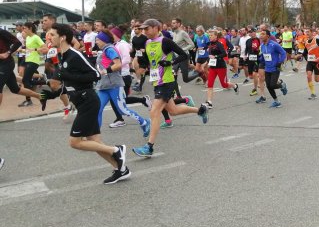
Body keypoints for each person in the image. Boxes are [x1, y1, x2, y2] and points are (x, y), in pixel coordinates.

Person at [39, 23, 130, 184]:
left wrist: (67, 74)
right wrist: (51, 94)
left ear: (62, 38)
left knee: (75, 142)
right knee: (95, 142)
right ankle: (120, 169)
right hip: (81, 101)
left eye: (52, 34)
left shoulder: (74, 55)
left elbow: (95, 75)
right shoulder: (61, 56)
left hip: (88, 101)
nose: (49, 37)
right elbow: (69, 85)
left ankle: (116, 150)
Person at [132, 19, 208, 158]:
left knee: (154, 112)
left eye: (147, 28)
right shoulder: (147, 43)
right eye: (142, 29)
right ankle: (201, 110)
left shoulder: (165, 41)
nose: (144, 31)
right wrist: (143, 66)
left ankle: (149, 147)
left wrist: (170, 62)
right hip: (156, 81)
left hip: (166, 81)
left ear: (156, 28)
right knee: (173, 111)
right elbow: (151, 60)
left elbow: (183, 55)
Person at [0, 28, 42, 107]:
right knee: (15, 89)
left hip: (6, 63)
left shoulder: (1, 32)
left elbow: (17, 42)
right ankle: (39, 96)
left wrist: (8, 53)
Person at [204, 30, 239, 108]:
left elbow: (224, 54)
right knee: (210, 84)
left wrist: (216, 56)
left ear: (216, 36)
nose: (210, 37)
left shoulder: (219, 44)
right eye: (209, 36)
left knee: (224, 85)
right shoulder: (210, 44)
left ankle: (234, 85)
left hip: (221, 67)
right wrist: (207, 62)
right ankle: (209, 102)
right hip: (213, 67)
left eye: (212, 35)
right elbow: (210, 55)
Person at [259, 29, 287, 108]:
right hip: (267, 68)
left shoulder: (274, 44)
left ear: (267, 36)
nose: (261, 36)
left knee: (273, 85)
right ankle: (277, 102)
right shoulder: (262, 46)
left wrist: (280, 62)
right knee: (269, 86)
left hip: (275, 68)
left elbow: (283, 53)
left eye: (263, 34)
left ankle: (282, 85)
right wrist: (260, 59)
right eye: (260, 34)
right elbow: (264, 56)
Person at [303, 28, 319, 100]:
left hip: (318, 62)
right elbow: (304, 53)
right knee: (308, 76)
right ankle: (313, 93)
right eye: (306, 32)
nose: (307, 33)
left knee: (317, 80)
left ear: (312, 32)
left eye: (308, 32)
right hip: (310, 62)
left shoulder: (317, 40)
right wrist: (306, 58)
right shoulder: (306, 42)